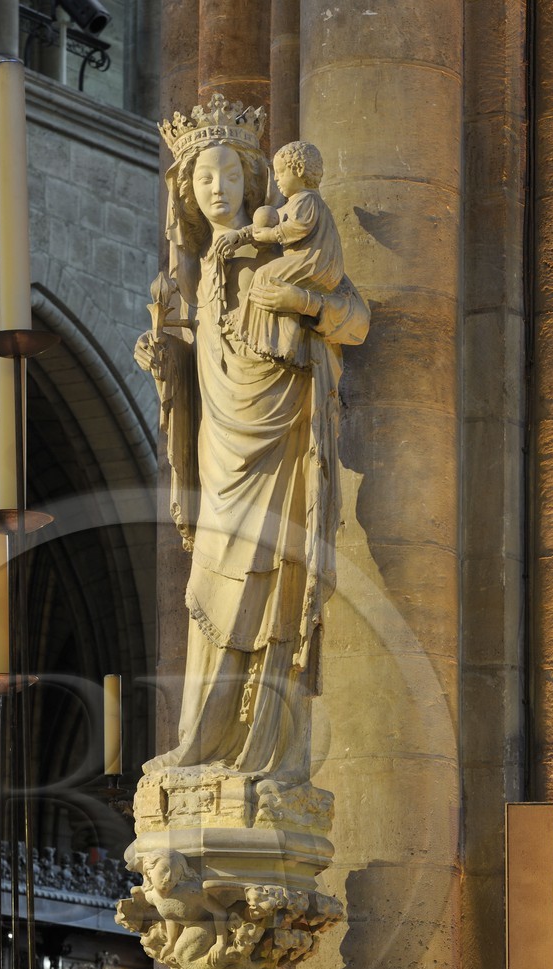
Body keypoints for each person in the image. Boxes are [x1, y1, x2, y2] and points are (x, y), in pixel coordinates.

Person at [136, 100, 369, 780]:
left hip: (282, 441)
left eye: (228, 175)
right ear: (185, 191)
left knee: (273, 587)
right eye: (202, 178)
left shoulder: (283, 247)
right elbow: (195, 368)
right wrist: (165, 362)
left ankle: (264, 749)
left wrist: (301, 304)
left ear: (251, 180)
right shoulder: (182, 280)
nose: (216, 188)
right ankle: (206, 741)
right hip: (221, 452)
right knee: (211, 583)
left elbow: (351, 318)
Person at [220, 140, 344, 370]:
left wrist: (270, 235)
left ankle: (266, 339)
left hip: (315, 262)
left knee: (266, 275)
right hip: (307, 262)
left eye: (280, 173)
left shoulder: (308, 200)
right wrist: (240, 235)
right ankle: (273, 339)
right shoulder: (294, 203)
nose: (276, 179)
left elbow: (296, 227)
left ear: (298, 170)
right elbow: (275, 218)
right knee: (269, 278)